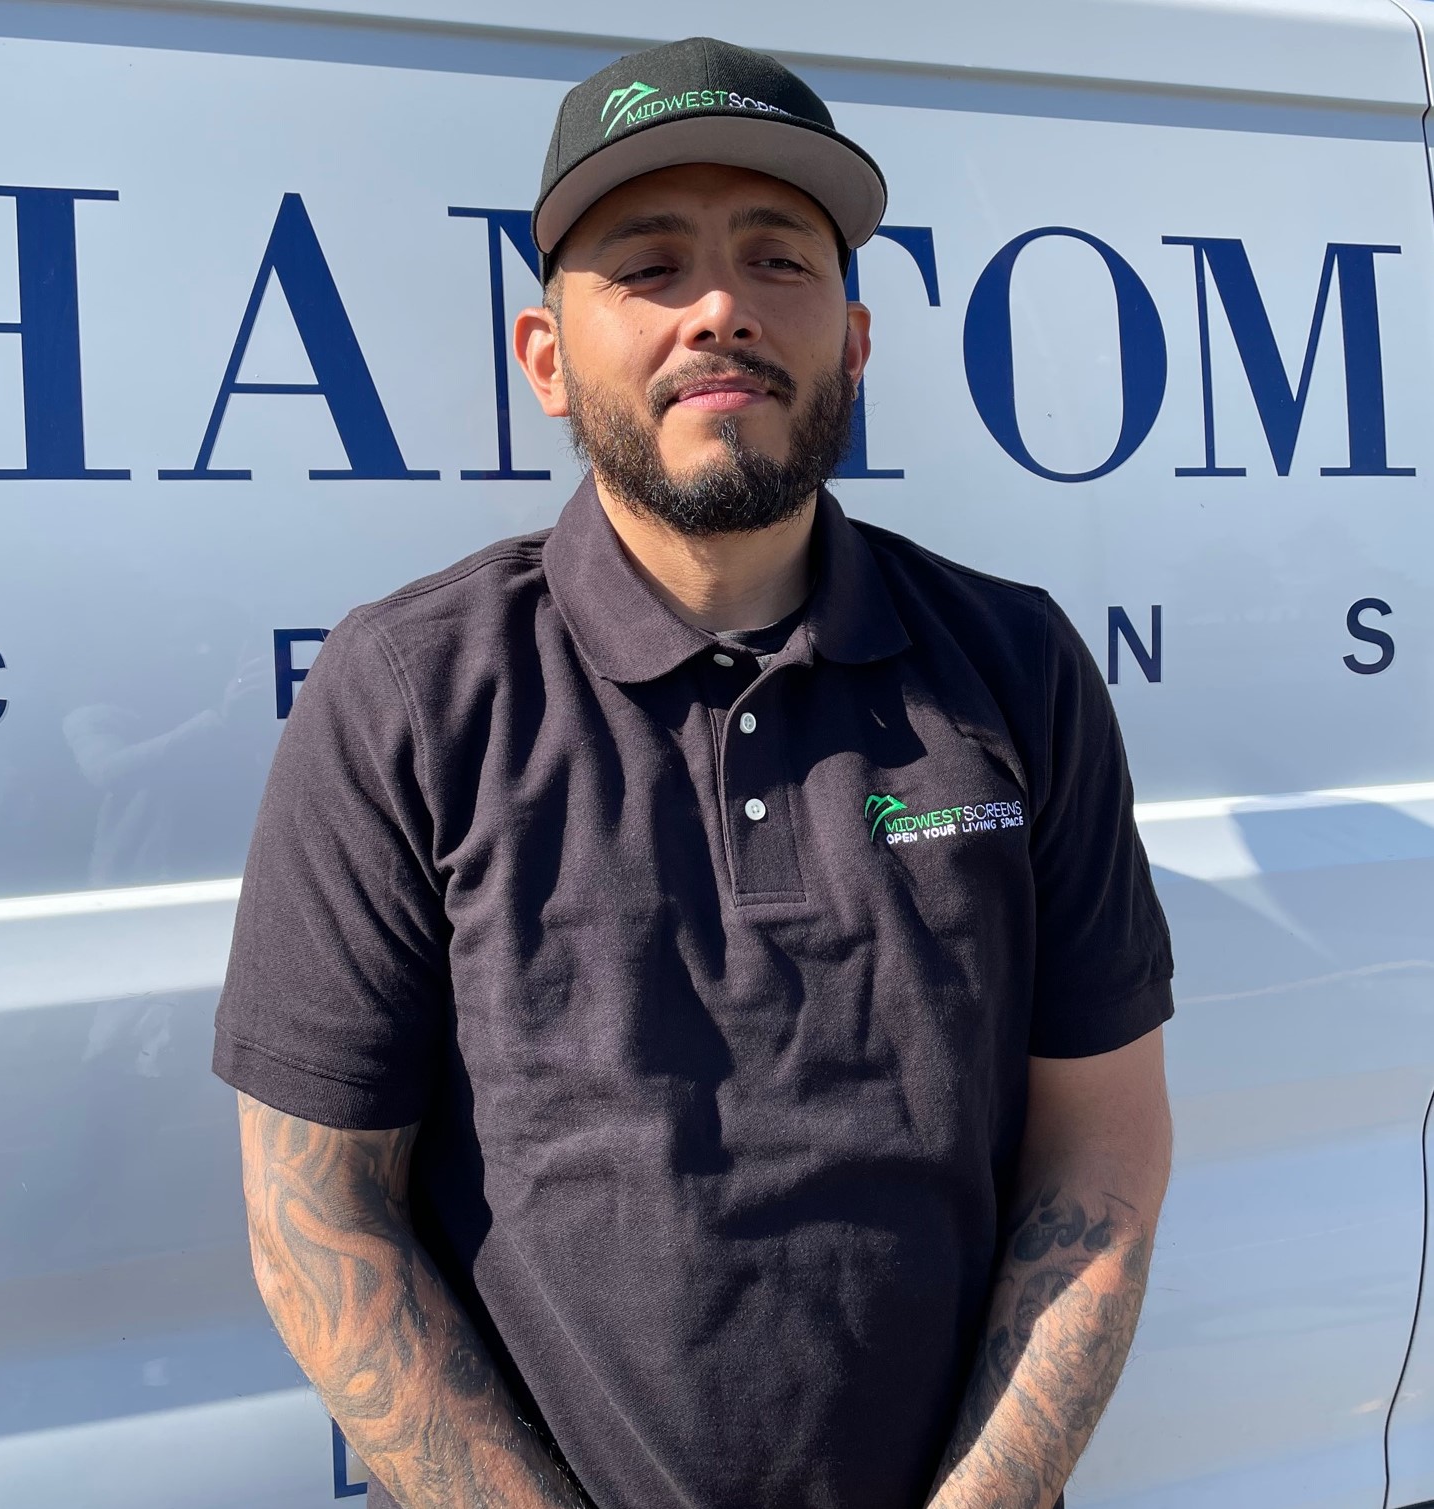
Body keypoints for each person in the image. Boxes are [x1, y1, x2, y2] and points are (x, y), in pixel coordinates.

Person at [212, 35, 1174, 1509]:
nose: (721, 308)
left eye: (779, 258)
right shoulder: (409, 692)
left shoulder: (1016, 668)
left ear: (855, 342)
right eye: (650, 266)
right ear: (546, 359)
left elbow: (1098, 1155)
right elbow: (314, 1214)